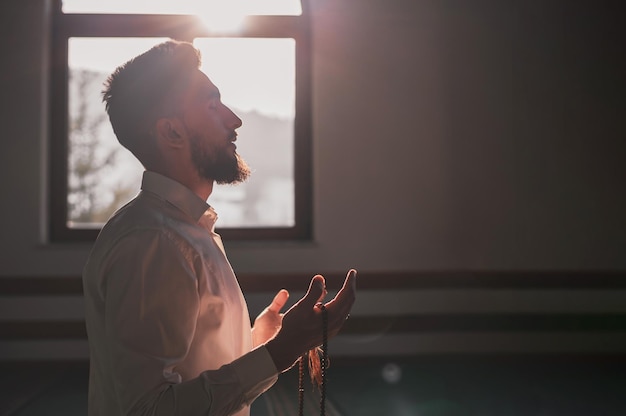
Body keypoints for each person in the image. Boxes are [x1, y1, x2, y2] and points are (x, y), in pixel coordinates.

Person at [82, 40, 357, 416]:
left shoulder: (186, 231)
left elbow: (201, 378)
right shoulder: (154, 241)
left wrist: (264, 342)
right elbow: (147, 409)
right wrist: (280, 352)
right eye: (212, 105)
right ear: (172, 133)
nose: (234, 119)